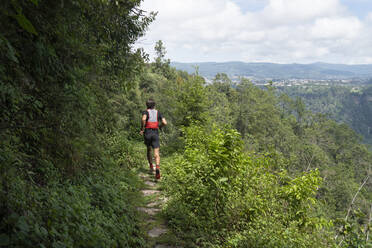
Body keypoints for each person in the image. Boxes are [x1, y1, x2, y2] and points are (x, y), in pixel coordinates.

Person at [140, 99, 167, 179]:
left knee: (149, 150)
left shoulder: (145, 112)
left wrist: (142, 129)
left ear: (147, 105)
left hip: (147, 133)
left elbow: (143, 119)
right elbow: (165, 122)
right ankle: (157, 168)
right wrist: (160, 126)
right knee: (156, 152)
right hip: (155, 133)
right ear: (154, 105)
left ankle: (151, 167)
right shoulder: (158, 112)